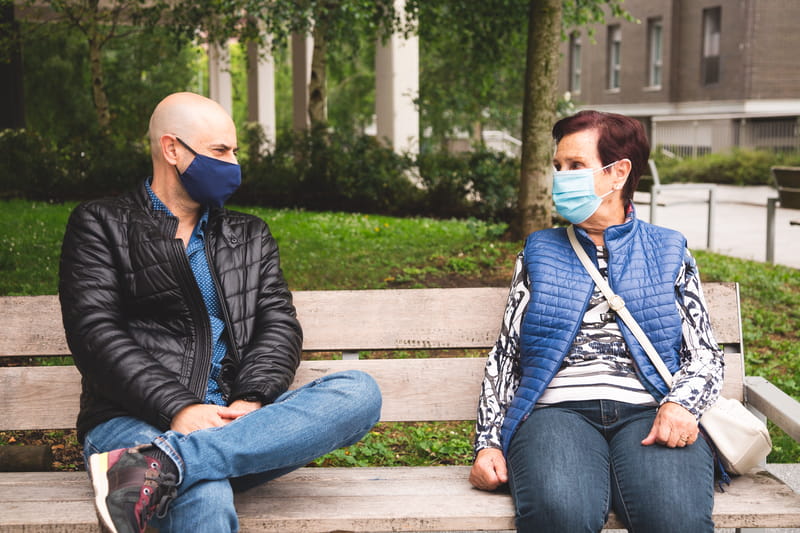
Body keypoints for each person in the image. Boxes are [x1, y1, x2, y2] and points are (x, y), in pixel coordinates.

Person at [58, 92, 382, 533]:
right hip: (131, 419)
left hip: (234, 420)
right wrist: (180, 409)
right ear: (172, 150)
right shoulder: (101, 224)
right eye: (219, 151)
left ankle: (157, 468)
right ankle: (166, 464)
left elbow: (278, 323)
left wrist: (251, 402)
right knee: (205, 492)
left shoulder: (250, 234)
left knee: (359, 391)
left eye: (234, 151)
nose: (233, 164)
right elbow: (95, 335)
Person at [468, 110, 723, 533]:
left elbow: (706, 355)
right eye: (558, 167)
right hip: (557, 414)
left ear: (618, 172)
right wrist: (488, 443)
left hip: (651, 410)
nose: (561, 177)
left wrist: (681, 404)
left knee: (676, 519)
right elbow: (506, 357)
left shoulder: (669, 250)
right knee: (560, 515)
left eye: (575, 166)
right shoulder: (539, 252)